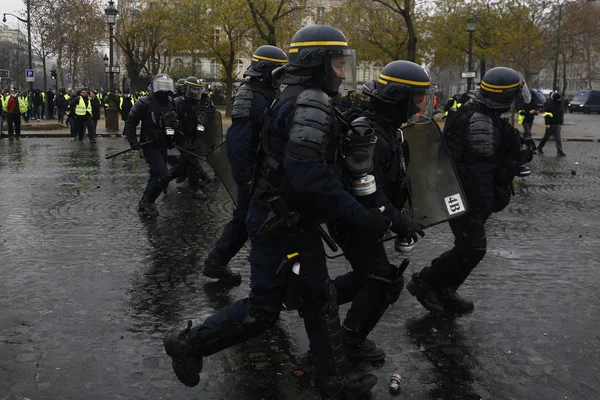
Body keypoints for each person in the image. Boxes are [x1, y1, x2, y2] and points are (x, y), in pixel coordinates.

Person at [163, 25, 389, 399]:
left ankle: (332, 381)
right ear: (317, 63)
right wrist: (360, 215)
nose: (344, 73)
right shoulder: (310, 101)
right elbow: (308, 173)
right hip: (281, 224)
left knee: (317, 298)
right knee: (263, 311)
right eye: (338, 64)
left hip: (289, 221)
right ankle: (187, 343)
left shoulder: (298, 96)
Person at [407, 67, 532, 314]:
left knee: (471, 247)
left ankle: (445, 289)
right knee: (472, 247)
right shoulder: (480, 122)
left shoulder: (483, 114)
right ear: (504, 96)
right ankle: (426, 283)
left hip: (462, 193)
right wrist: (481, 209)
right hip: (464, 196)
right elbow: (479, 173)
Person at [333, 60, 429, 362]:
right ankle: (350, 340)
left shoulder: (387, 128)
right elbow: (366, 190)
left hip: (367, 219)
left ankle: (315, 297)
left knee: (370, 276)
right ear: (399, 97)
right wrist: (400, 222)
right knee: (382, 279)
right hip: (355, 219)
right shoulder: (369, 132)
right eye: (417, 98)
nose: (420, 105)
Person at [203, 45, 287, 283]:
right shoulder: (250, 94)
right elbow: (237, 143)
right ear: (266, 70)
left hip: (263, 171)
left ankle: (216, 262)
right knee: (256, 220)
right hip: (254, 173)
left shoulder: (265, 93)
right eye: (278, 73)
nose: (281, 79)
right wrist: (247, 179)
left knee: (243, 218)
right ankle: (267, 278)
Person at [125, 74, 178, 218]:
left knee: (155, 175)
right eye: (161, 86)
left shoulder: (170, 102)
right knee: (163, 175)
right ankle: (149, 201)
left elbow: (175, 121)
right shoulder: (144, 102)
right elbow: (130, 122)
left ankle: (144, 202)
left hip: (164, 144)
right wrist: (134, 142)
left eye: (166, 87)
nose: (164, 90)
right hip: (150, 145)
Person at [172, 76, 214, 200]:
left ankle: (163, 180)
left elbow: (205, 114)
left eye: (198, 90)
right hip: (182, 136)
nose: (196, 92)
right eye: (193, 89)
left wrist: (202, 120)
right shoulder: (178, 102)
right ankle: (195, 187)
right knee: (191, 162)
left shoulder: (200, 102)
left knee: (188, 162)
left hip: (193, 136)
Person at [517, 90, 540, 175]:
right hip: (524, 120)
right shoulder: (523, 103)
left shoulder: (533, 102)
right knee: (528, 132)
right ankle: (530, 147)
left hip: (530, 120)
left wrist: (536, 112)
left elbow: (537, 110)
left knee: (526, 134)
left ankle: (525, 145)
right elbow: (520, 111)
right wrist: (528, 112)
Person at [538, 92, 566, 157]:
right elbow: (546, 115)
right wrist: (547, 123)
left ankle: (560, 151)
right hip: (551, 124)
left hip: (557, 124)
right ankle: (540, 147)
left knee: (558, 139)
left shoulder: (559, 105)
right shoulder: (549, 105)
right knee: (546, 137)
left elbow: (561, 114)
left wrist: (560, 122)